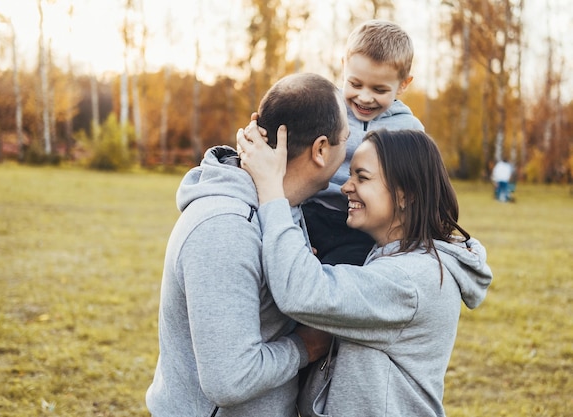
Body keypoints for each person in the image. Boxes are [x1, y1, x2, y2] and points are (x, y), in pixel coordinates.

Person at [237, 127, 493, 416]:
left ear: (405, 195)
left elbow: (301, 293)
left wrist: (272, 190)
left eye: (362, 177)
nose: (346, 187)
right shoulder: (397, 259)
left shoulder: (409, 281)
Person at [145, 72, 350, 417]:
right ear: (320, 150)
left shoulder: (282, 208)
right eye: (345, 138)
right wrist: (306, 346)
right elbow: (230, 379)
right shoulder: (226, 228)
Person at [303, 19, 425, 267]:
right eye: (355, 84)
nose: (365, 97)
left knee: (338, 276)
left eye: (379, 90)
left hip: (362, 228)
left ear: (403, 84)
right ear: (343, 68)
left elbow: (417, 187)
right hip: (309, 211)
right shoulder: (322, 107)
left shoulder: (409, 130)